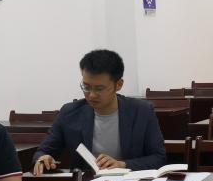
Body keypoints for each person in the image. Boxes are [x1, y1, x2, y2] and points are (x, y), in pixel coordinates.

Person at [33, 49, 165, 174]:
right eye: (86, 87)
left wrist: (122, 164)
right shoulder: (69, 113)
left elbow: (158, 158)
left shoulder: (142, 111)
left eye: (99, 89)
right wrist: (43, 158)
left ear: (119, 85)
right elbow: (43, 151)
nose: (91, 95)